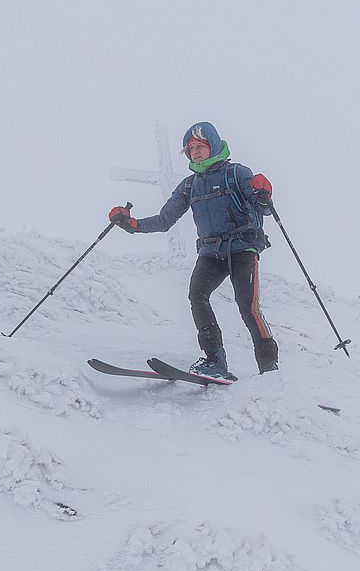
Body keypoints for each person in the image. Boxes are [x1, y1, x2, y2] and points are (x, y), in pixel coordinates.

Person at [107, 121, 278, 379]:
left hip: (243, 248)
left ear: (214, 146)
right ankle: (215, 361)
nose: (195, 152)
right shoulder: (190, 185)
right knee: (197, 296)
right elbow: (165, 220)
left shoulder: (237, 173)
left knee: (248, 306)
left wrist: (264, 194)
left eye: (200, 146)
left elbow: (263, 207)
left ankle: (269, 369)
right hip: (211, 252)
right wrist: (131, 224)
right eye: (190, 149)